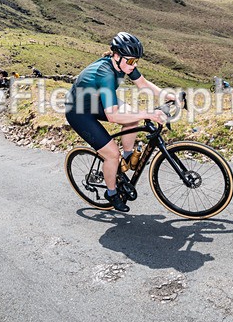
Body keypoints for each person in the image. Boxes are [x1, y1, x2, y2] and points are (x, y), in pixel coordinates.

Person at [65, 32, 173, 212]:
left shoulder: (125, 64)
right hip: (78, 111)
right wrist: (149, 113)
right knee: (112, 154)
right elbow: (113, 116)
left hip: (94, 100)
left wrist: (170, 96)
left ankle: (128, 157)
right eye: (131, 61)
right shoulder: (105, 73)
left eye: (136, 60)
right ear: (116, 55)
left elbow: (143, 84)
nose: (134, 65)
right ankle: (111, 193)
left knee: (132, 117)